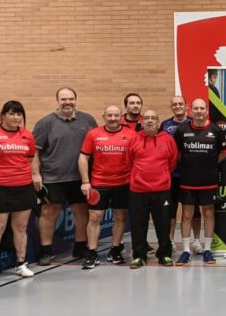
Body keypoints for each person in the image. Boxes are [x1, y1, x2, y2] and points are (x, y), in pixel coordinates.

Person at [32, 87, 97, 265]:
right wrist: (36, 174)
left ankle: (80, 247)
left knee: (81, 211)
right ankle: (46, 250)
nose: (67, 102)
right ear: (58, 101)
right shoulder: (45, 123)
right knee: (48, 212)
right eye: (63, 99)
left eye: (70, 99)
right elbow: (34, 151)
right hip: (53, 178)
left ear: (75, 100)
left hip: (80, 178)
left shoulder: (88, 120)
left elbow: (95, 146)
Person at [0, 100, 39, 284]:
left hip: (23, 187)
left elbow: (30, 158)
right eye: (12, 113)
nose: (16, 117)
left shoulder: (27, 135)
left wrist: (35, 175)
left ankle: (21, 263)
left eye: (19, 114)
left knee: (21, 228)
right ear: (3, 115)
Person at [78, 105, 135, 270]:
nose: (113, 118)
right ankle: (92, 252)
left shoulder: (131, 135)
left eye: (116, 115)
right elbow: (83, 157)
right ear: (104, 116)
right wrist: (85, 181)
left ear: (121, 117)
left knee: (120, 217)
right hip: (99, 183)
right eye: (109, 115)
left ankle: (115, 250)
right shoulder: (93, 134)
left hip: (123, 183)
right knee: (95, 217)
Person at [174, 98, 226, 265]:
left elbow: (224, 152)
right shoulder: (182, 130)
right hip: (187, 181)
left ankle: (207, 250)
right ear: (191, 110)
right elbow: (177, 154)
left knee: (208, 213)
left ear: (206, 110)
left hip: (209, 181)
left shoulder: (216, 130)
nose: (199, 111)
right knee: (187, 215)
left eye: (202, 108)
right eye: (196, 108)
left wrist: (210, 164)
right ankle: (185, 251)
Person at [126, 109, 178, 269]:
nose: (150, 121)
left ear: (158, 122)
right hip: (138, 190)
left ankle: (164, 254)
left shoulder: (168, 139)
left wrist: (161, 176)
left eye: (153, 118)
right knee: (138, 224)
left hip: (161, 190)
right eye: (147, 118)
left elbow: (172, 162)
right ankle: (139, 256)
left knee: (163, 224)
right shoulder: (134, 139)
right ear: (142, 122)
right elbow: (129, 161)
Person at [161, 95, 197, 251]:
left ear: (186, 106)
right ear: (171, 107)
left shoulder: (194, 122)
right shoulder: (165, 125)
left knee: (194, 210)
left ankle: (196, 241)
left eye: (180, 104)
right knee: (171, 210)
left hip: (191, 175)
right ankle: (170, 241)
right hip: (171, 175)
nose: (177, 106)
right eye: (174, 104)